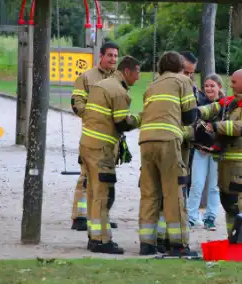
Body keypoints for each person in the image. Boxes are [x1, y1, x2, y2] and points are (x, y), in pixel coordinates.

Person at [138, 51, 198, 256]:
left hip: (145, 141)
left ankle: (147, 244)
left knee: (149, 193)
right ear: (181, 67)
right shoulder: (183, 80)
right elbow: (190, 116)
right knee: (174, 193)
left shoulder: (151, 86)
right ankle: (179, 244)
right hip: (168, 140)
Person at [79, 56, 141, 254]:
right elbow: (122, 122)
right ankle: (101, 240)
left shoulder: (102, 84)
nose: (139, 78)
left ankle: (93, 235)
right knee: (103, 195)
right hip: (102, 150)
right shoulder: (118, 91)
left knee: (92, 193)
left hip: (87, 146)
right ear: (128, 71)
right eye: (138, 73)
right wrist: (141, 119)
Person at [197, 69, 242, 236]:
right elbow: (212, 108)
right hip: (226, 160)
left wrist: (215, 126)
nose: (231, 85)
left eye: (234, 82)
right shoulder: (230, 101)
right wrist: (196, 112)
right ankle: (233, 240)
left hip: (241, 161)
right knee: (228, 202)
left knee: (238, 204)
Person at [70, 42, 119, 232]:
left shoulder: (117, 78)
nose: (113, 59)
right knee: (86, 176)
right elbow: (76, 103)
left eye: (115, 56)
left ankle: (101, 215)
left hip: (112, 138)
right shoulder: (87, 77)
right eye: (110, 56)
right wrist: (94, 118)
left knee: (106, 177)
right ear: (101, 56)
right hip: (92, 136)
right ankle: (79, 216)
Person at [156, 50, 199, 252]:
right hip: (173, 145)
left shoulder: (189, 87)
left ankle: (162, 238)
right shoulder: (177, 86)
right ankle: (175, 242)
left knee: (173, 193)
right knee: (174, 194)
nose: (189, 77)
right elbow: (188, 118)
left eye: (192, 73)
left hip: (182, 148)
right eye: (186, 72)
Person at [187, 74, 223, 231]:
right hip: (201, 149)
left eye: (212, 86)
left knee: (214, 186)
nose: (209, 88)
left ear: (219, 88)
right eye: (206, 86)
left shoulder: (224, 105)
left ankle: (210, 217)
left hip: (216, 151)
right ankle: (192, 216)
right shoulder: (199, 103)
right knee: (197, 184)